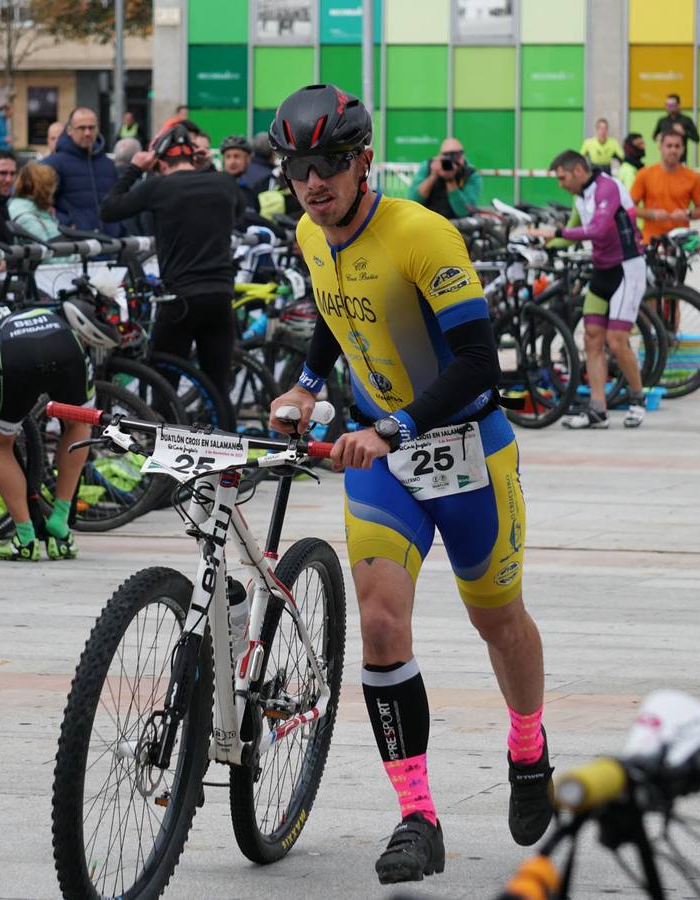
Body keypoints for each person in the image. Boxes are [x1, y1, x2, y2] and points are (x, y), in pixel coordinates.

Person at [264, 84, 551, 884]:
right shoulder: (310, 233)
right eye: (297, 168)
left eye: (327, 165)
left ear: (362, 163)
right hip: (382, 460)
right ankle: (417, 816)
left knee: (498, 621)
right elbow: (336, 309)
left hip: (465, 452)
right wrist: (306, 386)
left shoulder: (425, 234)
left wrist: (391, 428)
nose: (312, 183)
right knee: (382, 627)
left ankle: (527, 746)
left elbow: (475, 363)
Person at [99, 125, 247, 395]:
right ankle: (222, 430)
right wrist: (210, 167)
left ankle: (166, 433)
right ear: (194, 157)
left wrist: (134, 169)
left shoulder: (158, 186)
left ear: (161, 164)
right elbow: (239, 212)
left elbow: (109, 210)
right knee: (218, 386)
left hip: (181, 298)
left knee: (163, 384)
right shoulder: (224, 182)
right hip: (220, 295)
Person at [0, 306, 98, 561]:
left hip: (14, 355)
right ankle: (60, 523)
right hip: (65, 344)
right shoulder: (45, 313)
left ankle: (25, 538)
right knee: (78, 425)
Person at [543, 151, 649, 429]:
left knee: (616, 340)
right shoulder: (580, 197)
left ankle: (638, 398)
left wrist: (556, 234)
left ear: (578, 170)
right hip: (602, 270)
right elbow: (571, 234)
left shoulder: (607, 187)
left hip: (628, 267)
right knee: (591, 338)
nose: (561, 184)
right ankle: (597, 409)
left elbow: (599, 229)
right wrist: (539, 245)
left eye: (562, 177)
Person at [44, 107, 123, 236]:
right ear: (69, 130)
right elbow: (37, 206)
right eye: (81, 128)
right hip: (74, 247)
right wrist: (67, 224)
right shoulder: (53, 164)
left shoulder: (108, 165)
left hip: (110, 245)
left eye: (92, 128)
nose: (87, 133)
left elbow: (118, 203)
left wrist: (119, 229)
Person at [630, 130, 700, 243]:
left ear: (683, 149)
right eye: (669, 146)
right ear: (660, 147)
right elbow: (630, 208)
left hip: (681, 242)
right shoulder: (644, 174)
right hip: (652, 242)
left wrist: (688, 214)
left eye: (677, 146)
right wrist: (651, 214)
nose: (673, 150)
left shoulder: (693, 177)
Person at [7, 162, 74, 262]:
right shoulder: (27, 217)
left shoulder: (38, 211)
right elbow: (47, 256)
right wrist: (80, 256)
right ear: (45, 188)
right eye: (53, 184)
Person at [411, 137, 482, 219]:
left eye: (457, 155)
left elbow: (464, 212)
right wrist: (433, 176)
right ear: (439, 156)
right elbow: (413, 202)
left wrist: (450, 181)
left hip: (459, 225)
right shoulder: (428, 168)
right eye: (446, 155)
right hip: (429, 221)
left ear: (463, 155)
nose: (451, 161)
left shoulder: (470, 174)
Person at [652, 93, 699, 163]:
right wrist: (658, 137)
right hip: (665, 159)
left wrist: (684, 132)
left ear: (678, 105)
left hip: (681, 160)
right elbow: (654, 136)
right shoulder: (662, 121)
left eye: (672, 105)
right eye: (667, 105)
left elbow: (697, 138)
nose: (669, 107)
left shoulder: (686, 120)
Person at [220, 135, 260, 212]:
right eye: (228, 157)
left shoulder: (255, 185)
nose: (232, 162)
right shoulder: (218, 186)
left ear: (248, 159)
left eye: (236, 156)